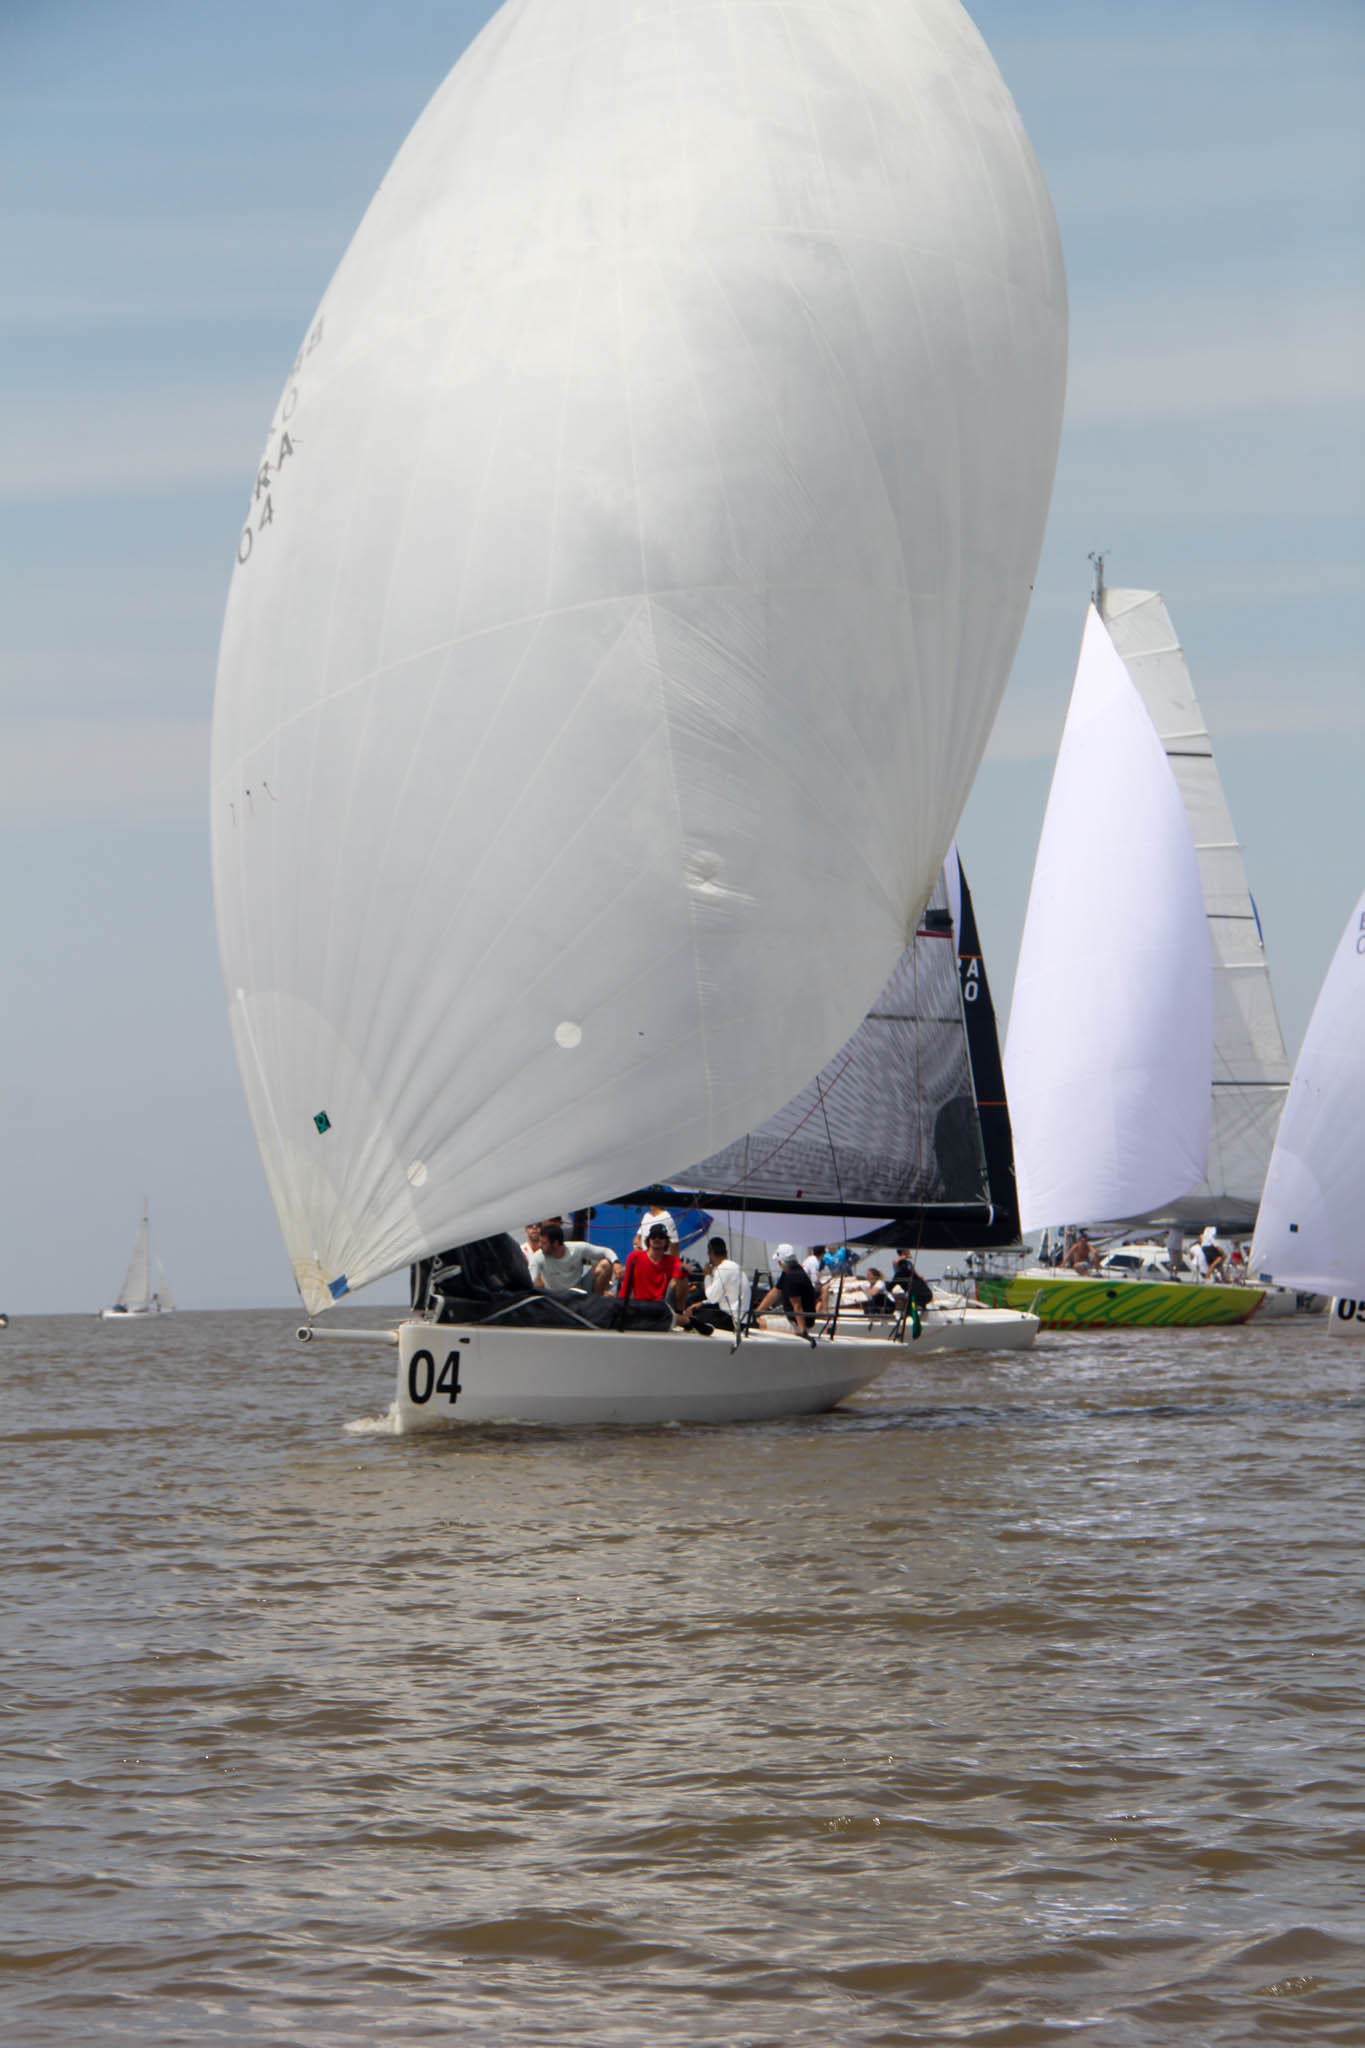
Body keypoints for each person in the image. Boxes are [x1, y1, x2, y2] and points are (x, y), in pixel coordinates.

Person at [619, 1223, 692, 1322]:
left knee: (682, 1277)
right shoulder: (634, 1257)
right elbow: (626, 1285)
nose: (657, 1239)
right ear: (649, 1240)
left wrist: (684, 1269)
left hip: (661, 1306)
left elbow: (681, 1272)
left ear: (666, 1241)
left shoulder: (672, 1260)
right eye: (653, 1236)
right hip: (640, 1305)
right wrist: (621, 1307)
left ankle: (679, 1312)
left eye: (661, 1237)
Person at [527, 1222, 618, 1294]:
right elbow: (531, 1281)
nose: (539, 1245)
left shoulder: (577, 1248)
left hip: (579, 1289)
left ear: (555, 1243)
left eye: (543, 1243)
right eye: (540, 1242)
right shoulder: (538, 1257)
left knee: (605, 1265)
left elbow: (605, 1251)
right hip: (556, 1296)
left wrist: (616, 1263)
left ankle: (596, 1301)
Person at [755, 1246, 818, 1336]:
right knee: (758, 1318)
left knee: (757, 1324)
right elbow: (775, 1292)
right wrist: (757, 1312)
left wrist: (803, 1332)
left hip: (798, 1323)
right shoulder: (789, 1272)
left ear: (781, 1262)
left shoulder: (793, 1277)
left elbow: (797, 1306)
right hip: (791, 1318)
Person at [694, 1236, 750, 1334]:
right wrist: (703, 1303)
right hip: (742, 1319)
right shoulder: (734, 1266)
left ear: (709, 1254)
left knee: (696, 1315)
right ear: (726, 1252)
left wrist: (707, 1276)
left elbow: (712, 1298)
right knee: (702, 1308)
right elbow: (720, 1295)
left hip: (733, 1321)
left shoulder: (722, 1269)